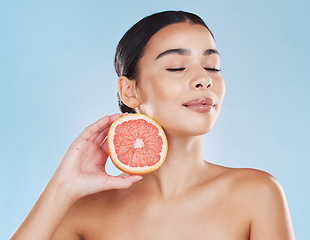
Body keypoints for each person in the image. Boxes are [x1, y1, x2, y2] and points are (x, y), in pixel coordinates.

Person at [10, 10, 295, 239]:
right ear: (129, 91)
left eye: (212, 66)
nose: (204, 79)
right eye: (176, 67)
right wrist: (61, 189)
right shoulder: (83, 211)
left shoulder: (257, 194)